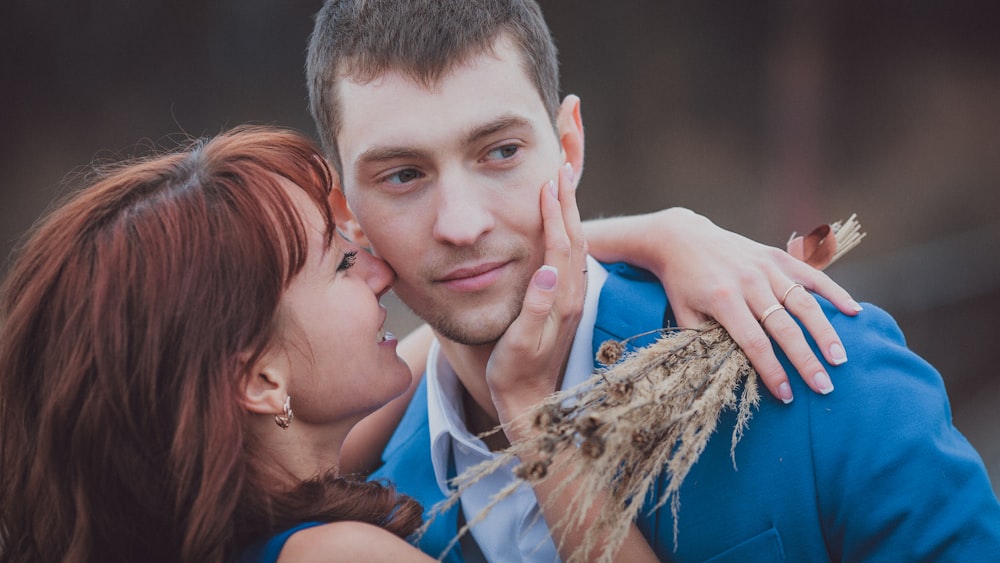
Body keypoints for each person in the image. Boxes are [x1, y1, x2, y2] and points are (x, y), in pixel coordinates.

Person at [304, 0, 1000, 561]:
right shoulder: (370, 518)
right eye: (403, 175)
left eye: (501, 152)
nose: (460, 224)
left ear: (568, 146)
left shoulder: (816, 364)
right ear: (347, 214)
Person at [0, 126, 448, 561]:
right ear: (259, 381)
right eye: (343, 263)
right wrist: (514, 398)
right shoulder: (335, 554)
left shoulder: (229, 520)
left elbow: (441, 348)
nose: (382, 273)